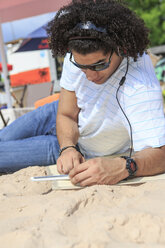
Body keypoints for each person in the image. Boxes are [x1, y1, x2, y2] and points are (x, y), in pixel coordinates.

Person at [1, 0, 165, 186]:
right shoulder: (77, 52)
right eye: (82, 67)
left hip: (83, 147)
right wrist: (68, 147)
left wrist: (124, 167)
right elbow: (65, 114)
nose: (90, 75)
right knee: (2, 138)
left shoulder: (140, 85)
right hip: (62, 118)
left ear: (121, 48)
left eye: (99, 65)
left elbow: (161, 154)